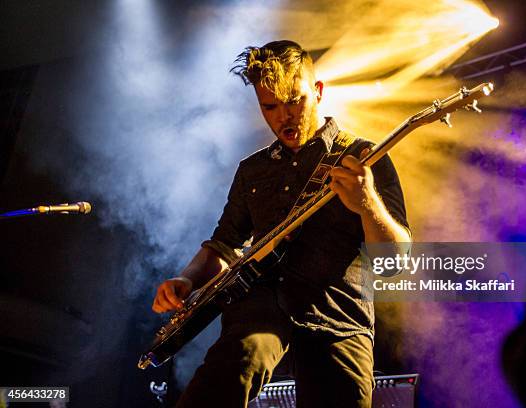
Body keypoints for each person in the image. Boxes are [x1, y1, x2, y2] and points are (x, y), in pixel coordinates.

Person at [152, 40, 411, 408]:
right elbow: (223, 244)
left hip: (337, 318)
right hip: (261, 305)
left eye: (294, 101)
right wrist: (187, 278)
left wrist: (368, 205)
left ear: (318, 92)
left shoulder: (365, 157)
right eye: (269, 106)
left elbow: (395, 263)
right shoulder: (252, 170)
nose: (282, 117)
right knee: (219, 383)